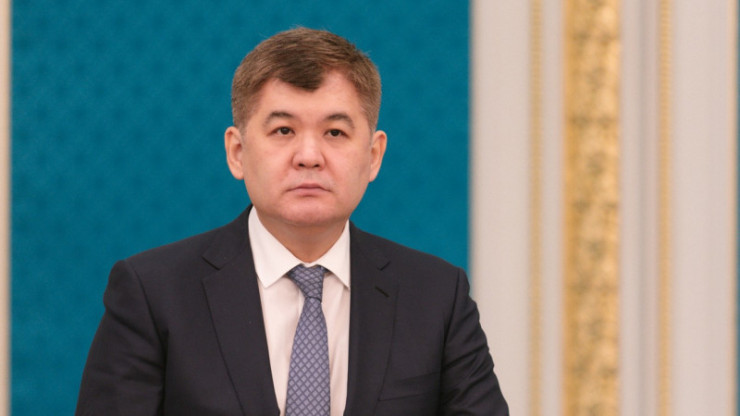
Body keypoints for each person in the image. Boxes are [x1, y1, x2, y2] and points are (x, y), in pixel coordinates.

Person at [75, 27, 508, 416]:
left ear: (374, 155)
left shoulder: (437, 297)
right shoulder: (154, 294)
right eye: (283, 130)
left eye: (335, 133)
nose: (309, 156)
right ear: (237, 152)